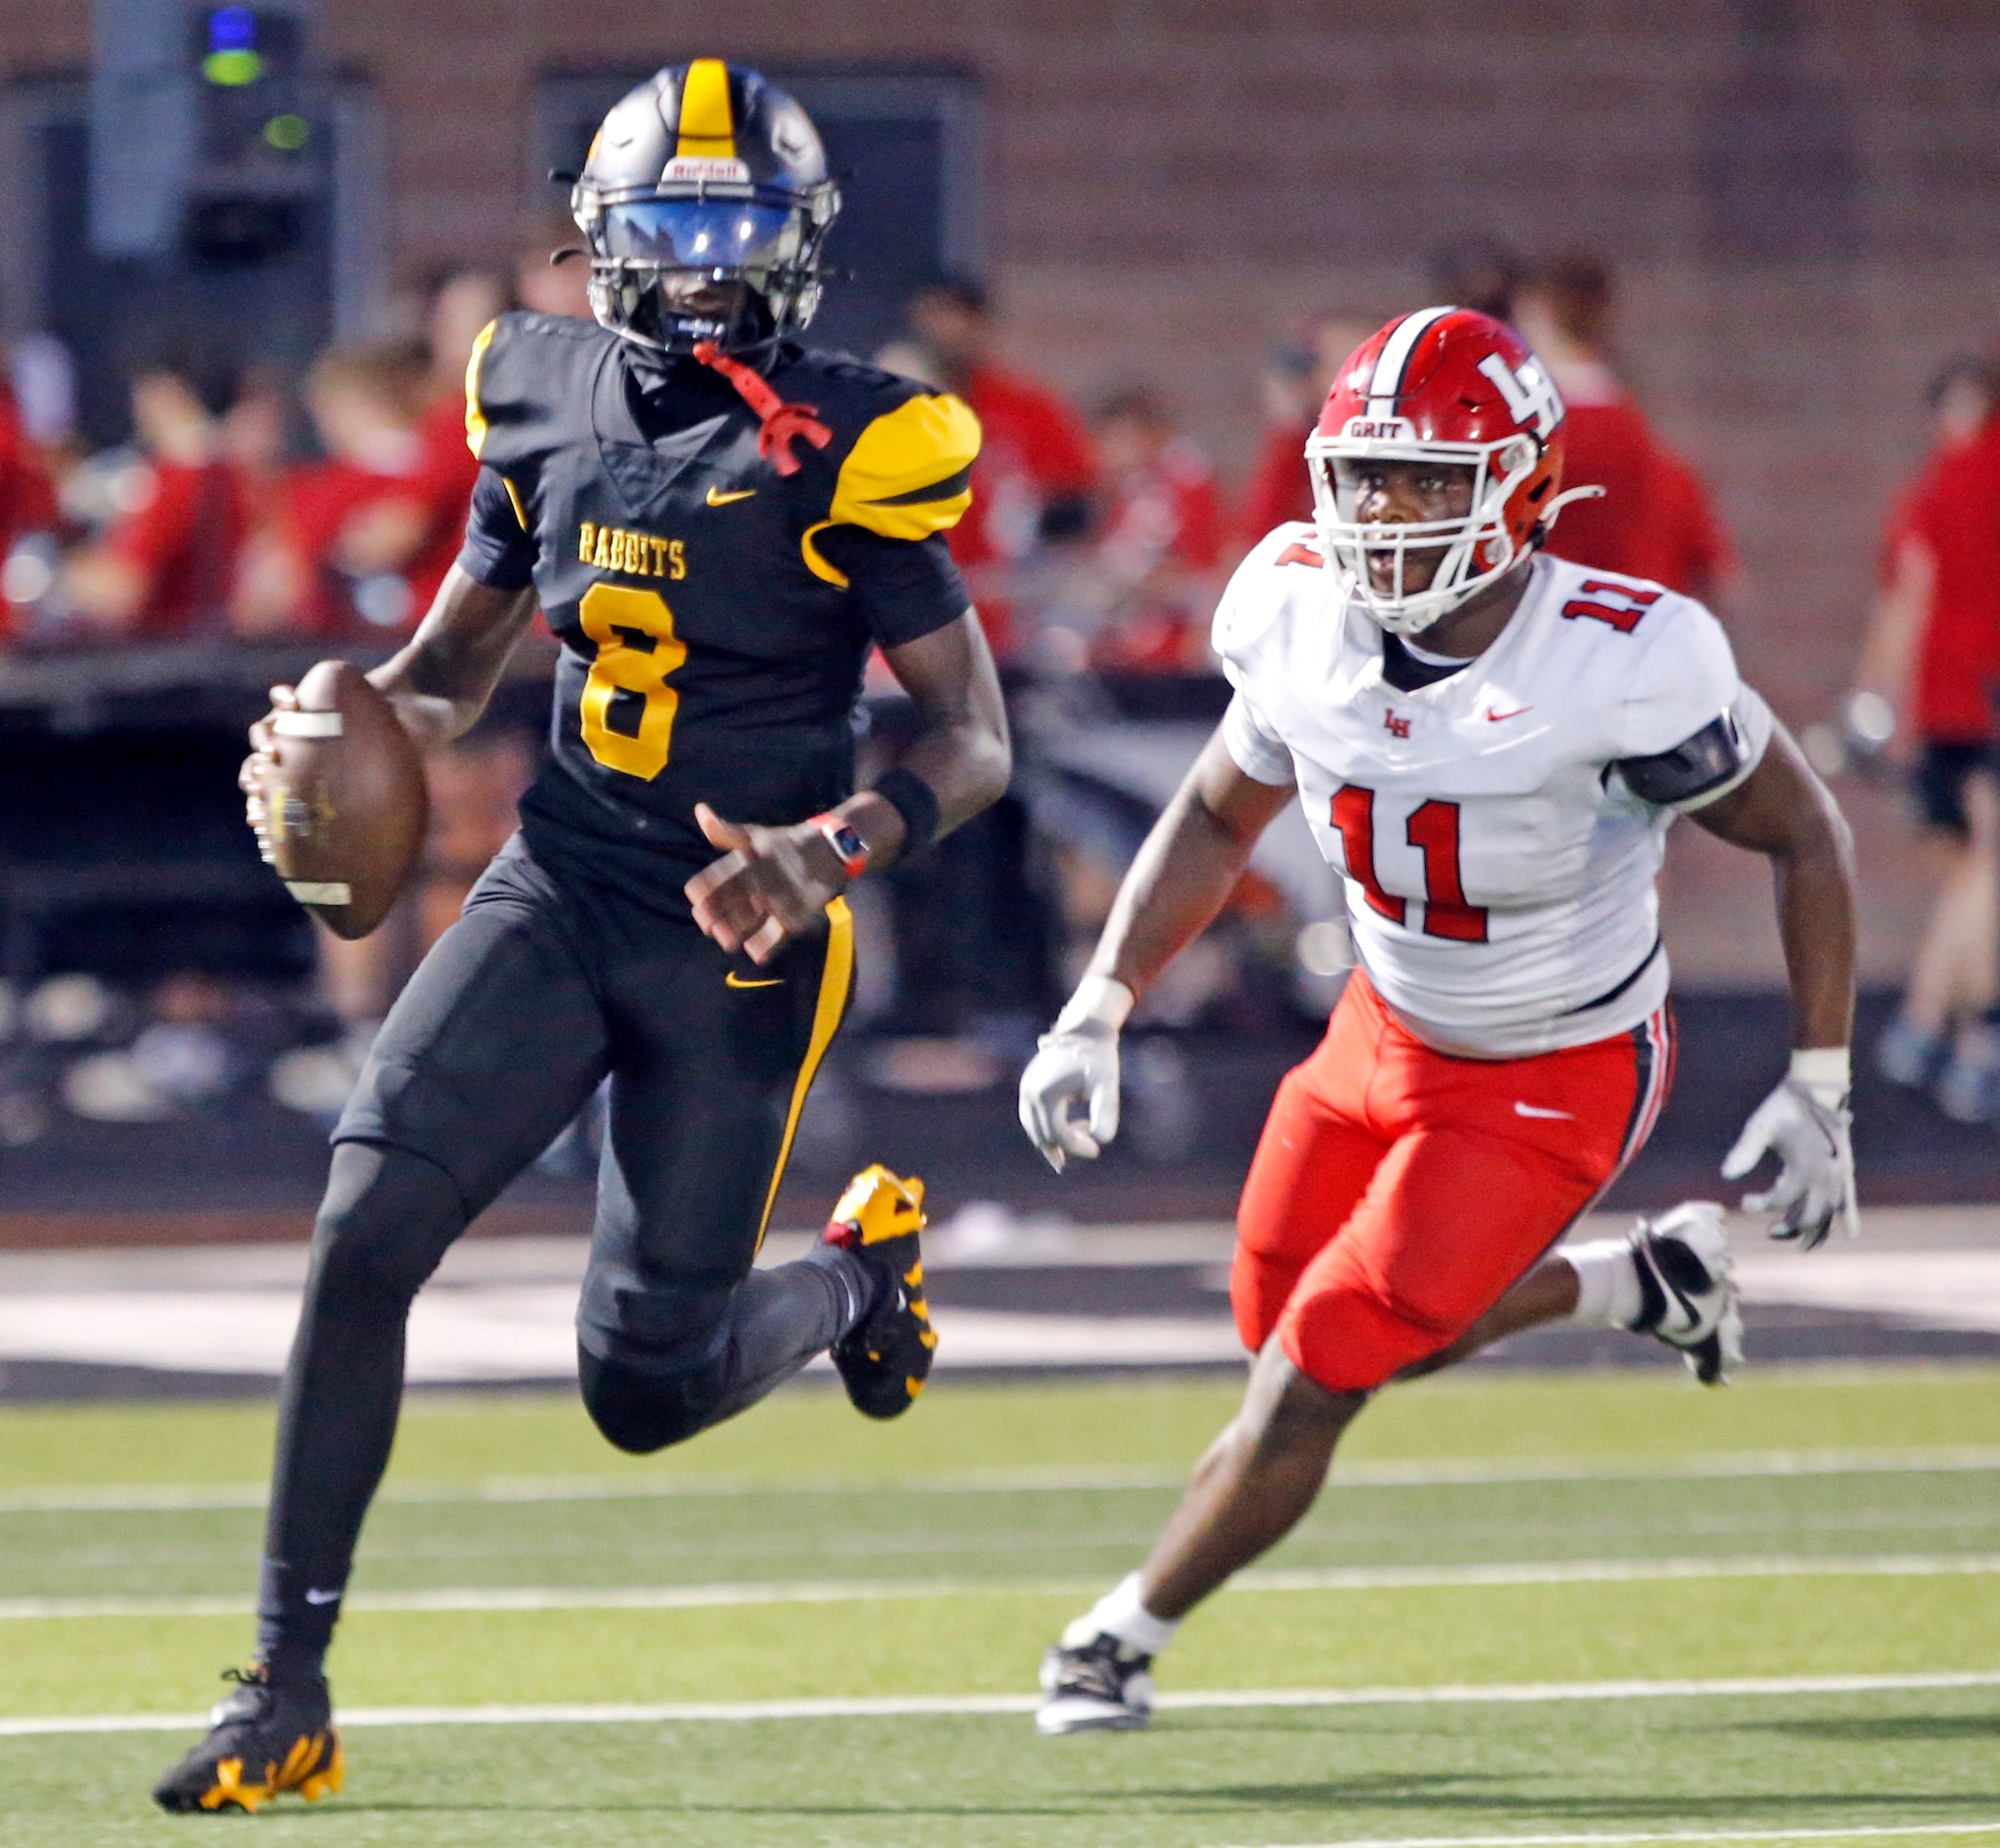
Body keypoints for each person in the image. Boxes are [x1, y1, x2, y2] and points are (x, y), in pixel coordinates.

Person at [154, 59, 1009, 1814]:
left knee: (645, 1383)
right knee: (363, 1220)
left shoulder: (859, 433)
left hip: (744, 930)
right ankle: (286, 1683)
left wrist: (829, 846)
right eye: (673, 224)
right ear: (604, 238)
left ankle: (854, 1279)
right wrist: (339, 731)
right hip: (563, 879)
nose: (703, 262)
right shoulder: (531, 389)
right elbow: (456, 670)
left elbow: (973, 736)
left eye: (737, 225)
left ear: (800, 244)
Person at [1018, 306, 1858, 1735]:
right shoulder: (1292, 606)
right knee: (1275, 1319)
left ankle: (1119, 1633)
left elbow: (1808, 834)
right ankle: (1632, 1283)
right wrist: (1098, 1003)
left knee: (1320, 1364)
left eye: (1428, 480)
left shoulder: (1620, 656)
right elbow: (1218, 814)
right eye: (1367, 476)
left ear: (1523, 485)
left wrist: (1820, 1077)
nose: (1387, 514)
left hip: (1555, 1065)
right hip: (1377, 1027)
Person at [1852, 356, 2000, 1116]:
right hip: (1979, 693)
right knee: (1981, 873)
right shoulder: (1957, 482)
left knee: (1972, 872)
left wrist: (1878, 700)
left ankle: (1940, 1024)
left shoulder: (1934, 486)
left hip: (1945, 697)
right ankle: (1958, 1028)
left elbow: (1905, 597)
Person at [1515, 253, 1738, 606]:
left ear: (1541, 314)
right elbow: (1722, 580)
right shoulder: (1648, 446)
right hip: (1639, 637)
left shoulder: (1532, 440)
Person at [58, 349, 251, 638]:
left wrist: (60, 575)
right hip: (212, 645)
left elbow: (124, 591)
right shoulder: (235, 477)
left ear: (169, 392)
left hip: (161, 658)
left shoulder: (174, 482)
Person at [1075, 384, 1224, 673]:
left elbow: (1196, 578)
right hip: (1135, 649)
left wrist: (1111, 583)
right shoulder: (1133, 490)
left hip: (1177, 654)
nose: (1103, 454)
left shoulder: (1180, 484)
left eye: (1113, 441)